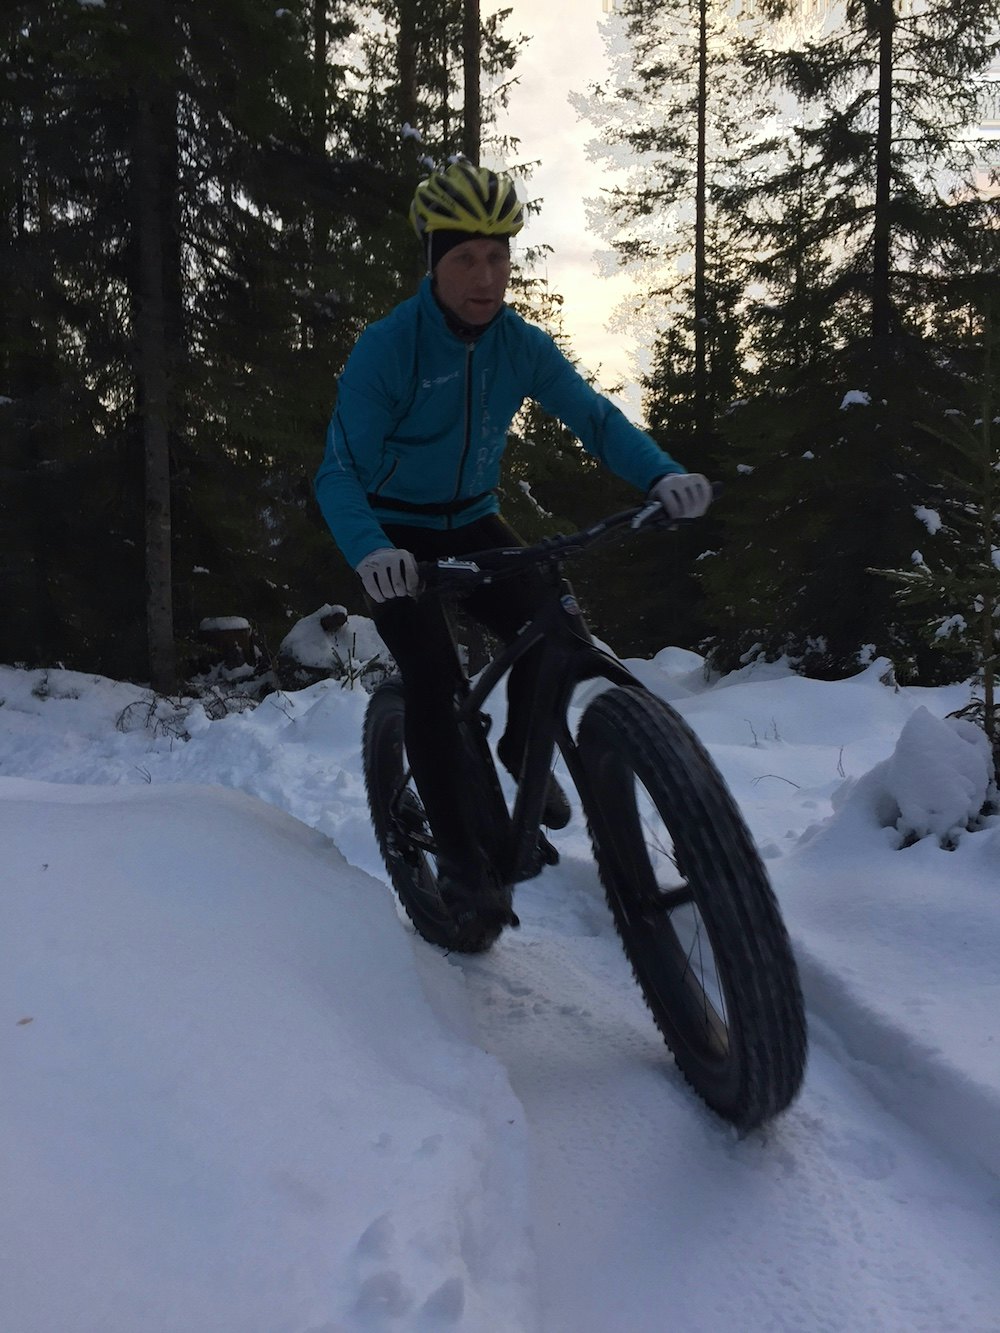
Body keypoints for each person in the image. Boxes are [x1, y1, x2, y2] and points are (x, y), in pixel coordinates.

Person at [315, 160, 711, 917]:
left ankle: (523, 751)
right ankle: (463, 863)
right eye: (465, 257)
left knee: (554, 624)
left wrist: (660, 475)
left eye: (498, 256)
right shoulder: (388, 348)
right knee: (432, 680)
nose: (485, 274)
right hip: (394, 533)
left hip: (472, 516)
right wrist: (372, 551)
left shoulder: (519, 345)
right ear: (433, 261)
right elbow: (337, 472)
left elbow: (593, 417)